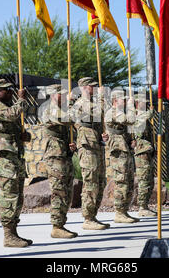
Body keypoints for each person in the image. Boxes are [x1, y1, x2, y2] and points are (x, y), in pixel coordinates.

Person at [0, 79, 33, 247]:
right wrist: (21, 99)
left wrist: (24, 136)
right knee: (9, 196)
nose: (11, 92)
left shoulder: (8, 107)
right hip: (5, 158)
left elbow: (14, 126)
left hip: (15, 156)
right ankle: (8, 235)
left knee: (18, 197)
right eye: (7, 90)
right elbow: (12, 114)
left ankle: (14, 233)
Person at [71, 77, 110, 230]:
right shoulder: (80, 104)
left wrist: (103, 134)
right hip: (87, 145)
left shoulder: (95, 103)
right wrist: (102, 98)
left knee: (100, 181)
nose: (94, 89)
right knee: (91, 180)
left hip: (96, 143)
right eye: (92, 86)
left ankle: (93, 215)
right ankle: (87, 218)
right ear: (85, 87)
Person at [40, 84, 78, 238]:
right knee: (59, 191)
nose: (64, 97)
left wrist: (72, 142)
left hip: (63, 155)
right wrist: (71, 104)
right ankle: (56, 226)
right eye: (62, 94)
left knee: (67, 192)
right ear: (54, 95)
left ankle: (61, 224)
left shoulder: (60, 109)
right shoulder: (49, 109)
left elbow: (70, 128)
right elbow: (70, 119)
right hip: (55, 157)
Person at [104, 89, 139, 223]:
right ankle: (119, 212)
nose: (124, 102)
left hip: (124, 149)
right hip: (118, 150)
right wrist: (131, 106)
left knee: (128, 180)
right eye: (122, 99)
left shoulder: (118, 113)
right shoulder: (112, 112)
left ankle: (124, 210)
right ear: (115, 100)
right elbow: (130, 120)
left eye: (125, 100)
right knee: (121, 180)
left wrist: (131, 140)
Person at [132, 94, 157, 217]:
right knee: (144, 180)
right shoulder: (135, 116)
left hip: (147, 152)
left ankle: (145, 205)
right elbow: (139, 131)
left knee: (149, 180)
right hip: (141, 153)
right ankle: (142, 207)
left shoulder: (144, 117)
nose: (146, 104)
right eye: (143, 102)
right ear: (137, 103)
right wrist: (149, 113)